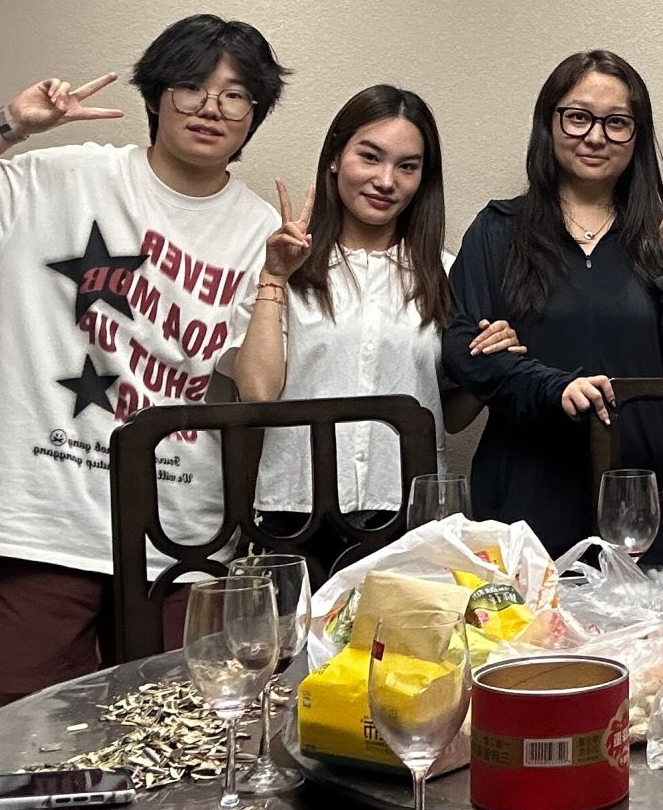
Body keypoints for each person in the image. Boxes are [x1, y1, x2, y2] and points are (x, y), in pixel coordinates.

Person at [0, 15, 288, 700]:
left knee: (174, 733)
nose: (210, 108)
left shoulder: (260, 229)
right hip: (38, 518)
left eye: (235, 96)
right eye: (191, 87)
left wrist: (277, 278)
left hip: (177, 529)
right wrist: (13, 123)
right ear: (156, 95)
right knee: (29, 739)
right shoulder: (63, 178)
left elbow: (258, 387)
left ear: (254, 115)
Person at [218, 85, 522, 571]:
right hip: (294, 510)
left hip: (409, 514)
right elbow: (257, 394)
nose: (386, 180)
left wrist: (492, 364)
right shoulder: (284, 263)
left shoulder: (443, 274)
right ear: (335, 157)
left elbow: (451, 416)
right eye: (370, 157)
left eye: (407, 166)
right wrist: (274, 277)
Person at [444, 50, 663, 565]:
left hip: (641, 497)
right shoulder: (499, 230)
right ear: (548, 123)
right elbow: (466, 350)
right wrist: (554, 386)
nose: (595, 137)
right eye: (578, 117)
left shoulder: (660, 236)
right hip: (527, 492)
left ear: (637, 137)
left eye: (617, 123)